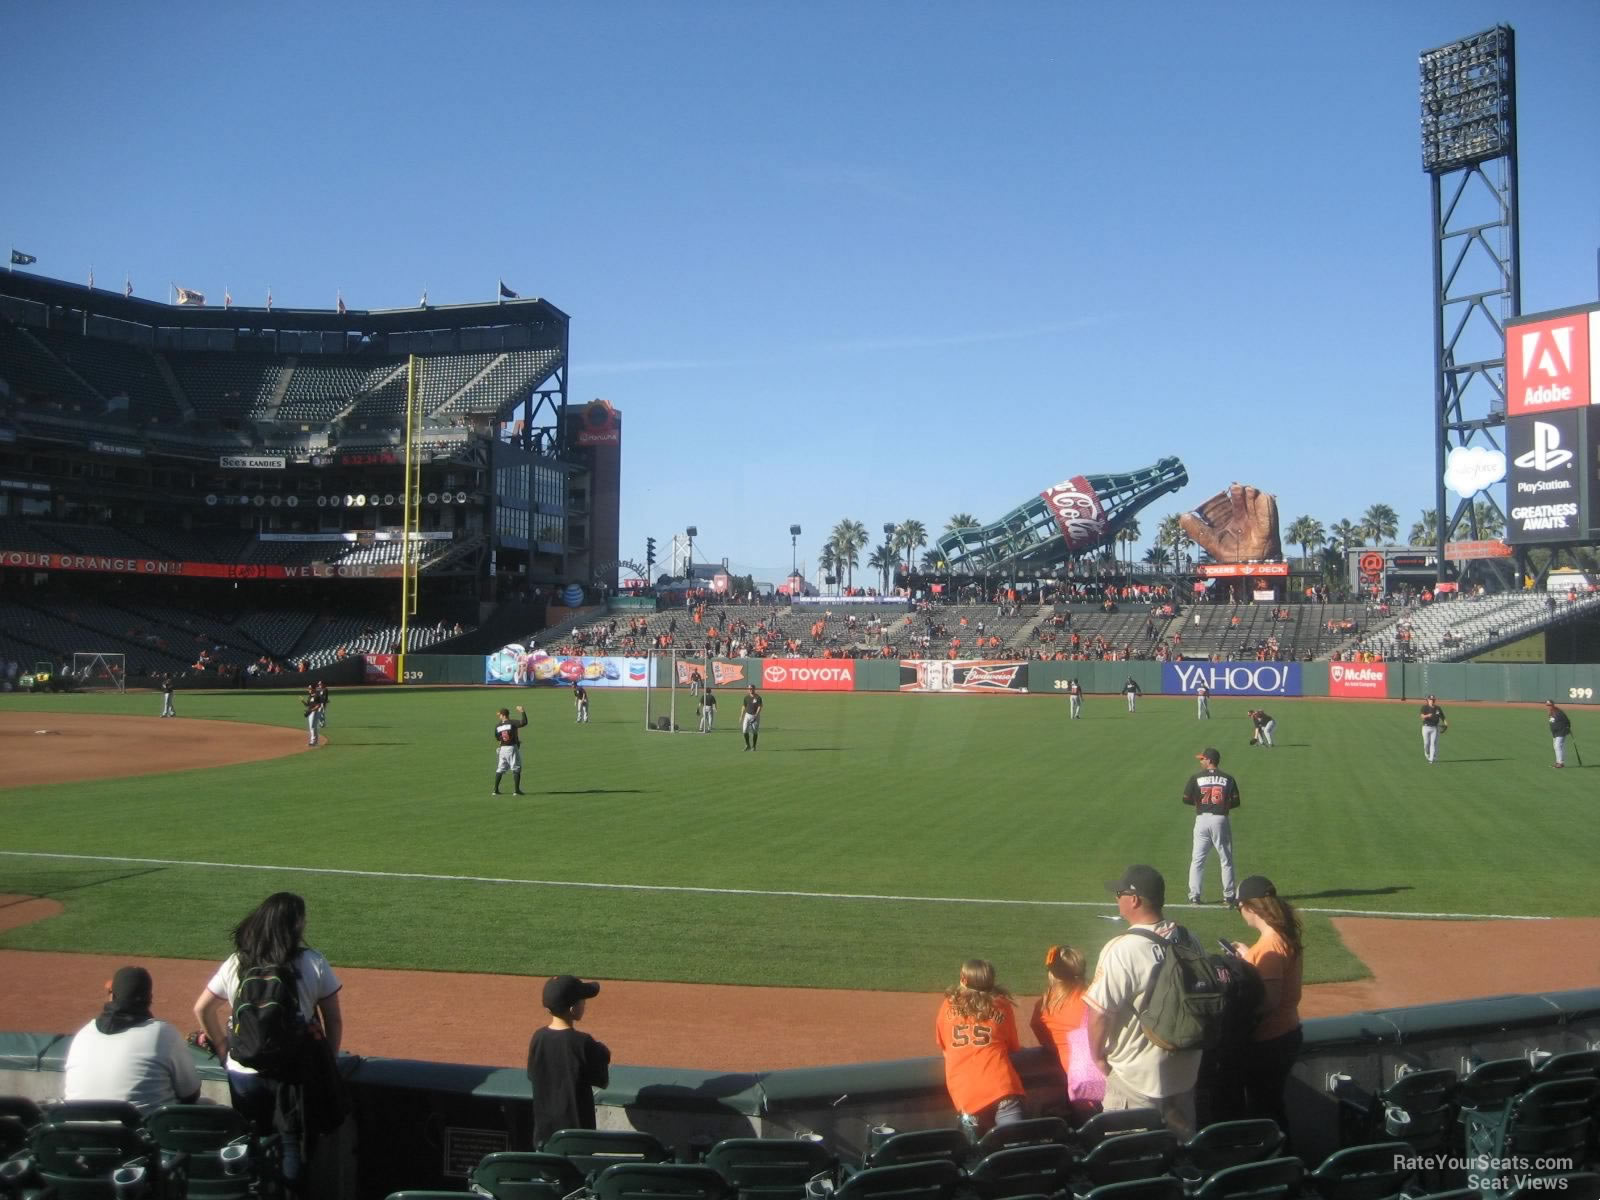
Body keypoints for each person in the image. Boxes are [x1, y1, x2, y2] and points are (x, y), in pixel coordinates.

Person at [193, 893, 344, 1193]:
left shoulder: (238, 961)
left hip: (242, 1072)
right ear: (295, 925)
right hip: (292, 1073)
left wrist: (223, 1048)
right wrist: (328, 1059)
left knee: (252, 1140)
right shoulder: (312, 962)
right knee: (292, 1144)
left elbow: (202, 1009)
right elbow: (333, 1019)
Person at [1085, 865, 1205, 1136]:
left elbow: (1100, 1014)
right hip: (1185, 1071)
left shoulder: (1122, 950)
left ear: (1134, 900)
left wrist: (1098, 1057)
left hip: (1137, 1079)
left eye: (1119, 893)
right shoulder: (1189, 939)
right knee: (1181, 1159)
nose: (1116, 898)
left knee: (1129, 1163)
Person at [65, 966, 201, 1114]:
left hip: (77, 1132)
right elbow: (190, 1095)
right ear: (150, 998)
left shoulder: (83, 1034)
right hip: (138, 1135)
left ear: (112, 996)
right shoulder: (163, 1034)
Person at [1228, 876, 1303, 1138]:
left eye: (1239, 908)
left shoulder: (1270, 945)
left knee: (1265, 1112)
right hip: (1286, 1033)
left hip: (1269, 1041)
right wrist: (1250, 957)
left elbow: (1268, 1002)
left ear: (1250, 907)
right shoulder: (1281, 937)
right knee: (1271, 1106)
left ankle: (1275, 1165)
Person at [935, 959, 1023, 1135]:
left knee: (978, 1155)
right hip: (1002, 1087)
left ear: (963, 979)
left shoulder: (947, 1006)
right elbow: (1012, 1045)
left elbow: (943, 1045)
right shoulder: (1002, 1005)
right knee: (1016, 1151)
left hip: (967, 1094)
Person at [528, 975, 611, 1147]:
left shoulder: (538, 1038)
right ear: (573, 1009)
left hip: (545, 1140)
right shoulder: (583, 1043)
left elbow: (532, 1075)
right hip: (579, 1142)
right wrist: (601, 1051)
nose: (585, 1004)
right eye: (583, 1001)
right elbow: (601, 1080)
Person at [1029, 945, 1105, 1124]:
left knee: (1089, 1123)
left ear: (1053, 974)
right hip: (1106, 1067)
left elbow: (1040, 1032)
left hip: (1077, 1075)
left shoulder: (1046, 1004)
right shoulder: (1092, 996)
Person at [1184, 747, 1240, 906]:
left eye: (1202, 759)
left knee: (1197, 860)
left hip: (1201, 820)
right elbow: (1236, 801)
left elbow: (1185, 798)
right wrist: (1222, 807)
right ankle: (1228, 896)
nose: (1201, 761)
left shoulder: (1196, 777)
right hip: (1220, 819)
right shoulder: (1228, 778)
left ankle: (1194, 896)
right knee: (1226, 859)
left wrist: (1200, 803)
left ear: (1209, 760)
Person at [495, 705, 528, 796]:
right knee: (516, 767)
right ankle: (516, 791)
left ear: (503, 715)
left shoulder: (498, 726)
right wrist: (522, 711)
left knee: (500, 768)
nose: (499, 716)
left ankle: (495, 790)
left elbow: (498, 737)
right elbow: (524, 722)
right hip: (512, 748)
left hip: (502, 749)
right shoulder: (512, 722)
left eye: (500, 715)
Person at [1419, 694, 1447, 764]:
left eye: (1433, 699)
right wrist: (1427, 715)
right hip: (1426, 728)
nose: (1432, 701)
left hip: (1434, 728)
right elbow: (1422, 716)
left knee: (1433, 744)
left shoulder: (1438, 708)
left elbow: (1442, 717)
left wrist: (1446, 724)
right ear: (1428, 700)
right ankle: (1426, 753)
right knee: (1426, 743)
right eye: (1431, 699)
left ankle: (1431, 759)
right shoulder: (1424, 707)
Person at [1546, 699, 1572, 768]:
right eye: (1547, 705)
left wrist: (1568, 727)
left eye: (1549, 705)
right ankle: (1559, 762)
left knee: (1557, 746)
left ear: (1553, 705)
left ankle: (1560, 763)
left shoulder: (1559, 712)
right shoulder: (1550, 712)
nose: (1548, 706)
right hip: (1555, 733)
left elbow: (1567, 720)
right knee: (1556, 747)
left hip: (1561, 732)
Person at [740, 685, 763, 751]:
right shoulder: (746, 697)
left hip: (755, 716)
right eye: (749, 689)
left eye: (751, 688)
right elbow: (744, 706)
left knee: (755, 732)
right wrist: (741, 715)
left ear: (754, 689)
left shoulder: (758, 697)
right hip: (747, 715)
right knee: (744, 730)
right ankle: (747, 745)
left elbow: (760, 706)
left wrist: (756, 714)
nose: (750, 690)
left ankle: (754, 746)